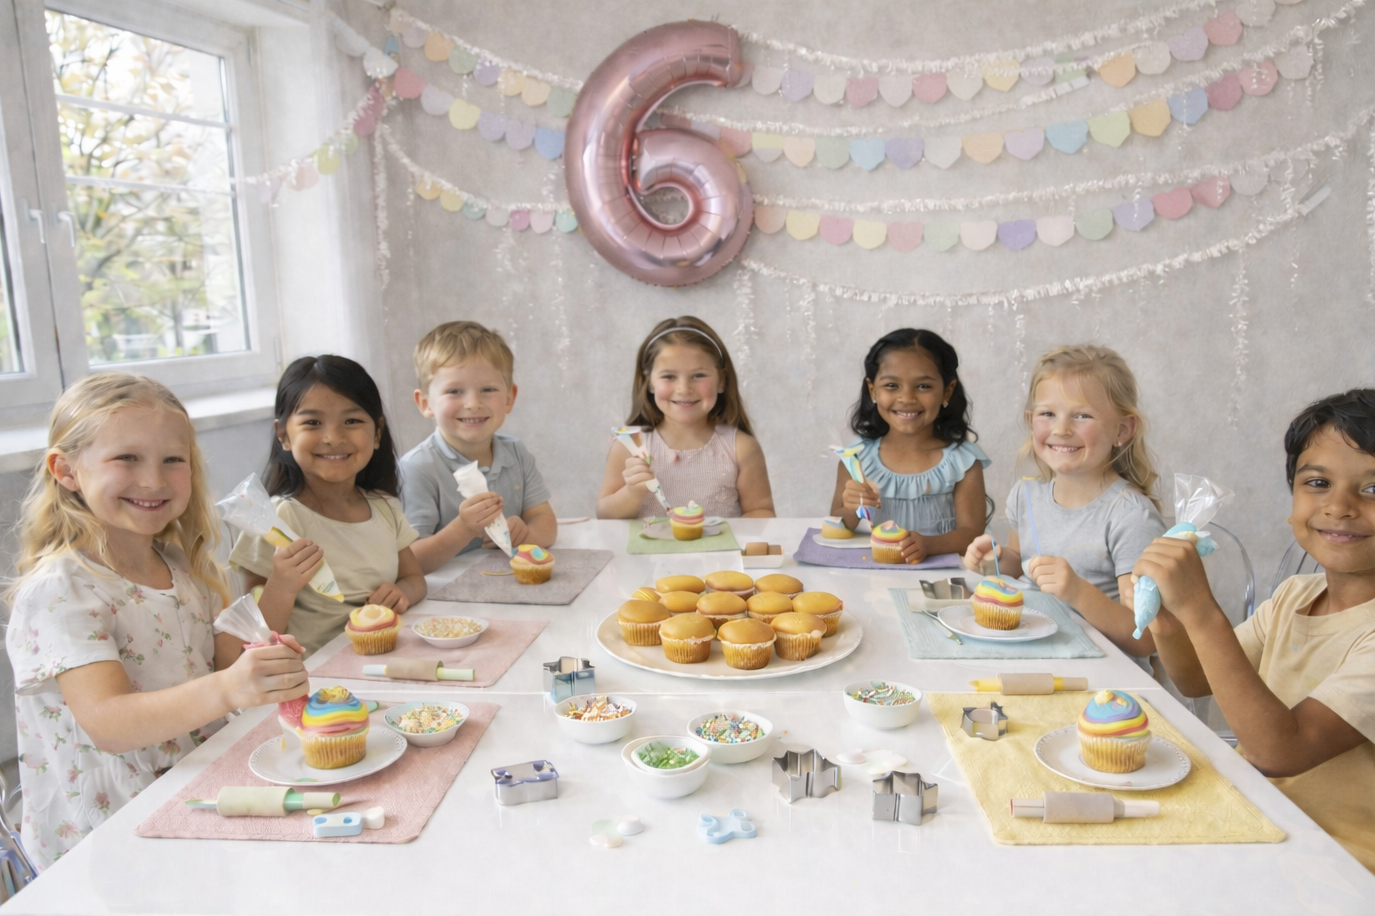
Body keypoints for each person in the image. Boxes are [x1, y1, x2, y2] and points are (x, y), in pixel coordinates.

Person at [3, 373, 308, 870]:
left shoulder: (177, 565)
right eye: (127, 458)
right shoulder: (62, 589)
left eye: (173, 460)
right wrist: (230, 689)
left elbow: (224, 660)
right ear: (66, 470)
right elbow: (109, 723)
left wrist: (264, 651)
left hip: (192, 800)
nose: (154, 480)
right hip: (109, 842)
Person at [1136, 389, 1375, 872]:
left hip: (1339, 865)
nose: (1341, 506)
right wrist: (1166, 613)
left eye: (1373, 489)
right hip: (1259, 825)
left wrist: (1201, 611)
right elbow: (1195, 679)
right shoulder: (1295, 596)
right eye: (1317, 482)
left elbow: (1279, 751)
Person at [963, 344, 1164, 657]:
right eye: (1047, 414)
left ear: (1122, 430)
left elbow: (1147, 639)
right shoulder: (1026, 495)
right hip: (1035, 654)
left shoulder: (1130, 517)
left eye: (1082, 415)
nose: (1061, 429)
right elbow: (1021, 563)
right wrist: (997, 562)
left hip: (1102, 679)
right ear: (1032, 422)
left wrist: (1079, 593)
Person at [230, 355, 426, 655]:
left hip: (383, 658)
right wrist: (283, 583)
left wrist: (403, 593)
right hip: (316, 681)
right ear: (283, 434)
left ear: (376, 433)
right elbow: (253, 636)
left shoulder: (385, 508)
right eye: (312, 422)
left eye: (351, 421)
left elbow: (414, 577)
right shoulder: (277, 520)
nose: (333, 437)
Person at [400, 321, 556, 573]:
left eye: (487, 389)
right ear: (425, 403)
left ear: (509, 398)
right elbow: (410, 561)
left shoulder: (516, 453)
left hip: (503, 579)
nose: (473, 403)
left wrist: (527, 534)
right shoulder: (418, 468)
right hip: (445, 597)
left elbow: (547, 523)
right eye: (454, 391)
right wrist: (463, 528)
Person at [829, 328, 989, 563]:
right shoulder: (857, 458)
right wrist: (853, 508)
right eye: (892, 385)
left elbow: (971, 533)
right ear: (873, 390)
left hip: (939, 586)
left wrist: (928, 545)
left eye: (923, 386)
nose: (907, 398)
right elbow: (837, 526)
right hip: (873, 581)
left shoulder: (962, 462)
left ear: (947, 391)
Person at [597, 316, 774, 519]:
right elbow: (605, 516)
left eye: (698, 375)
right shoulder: (630, 447)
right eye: (669, 377)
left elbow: (761, 511)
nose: (684, 389)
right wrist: (632, 492)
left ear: (722, 381)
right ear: (650, 384)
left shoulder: (741, 448)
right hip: (648, 552)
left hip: (720, 552)